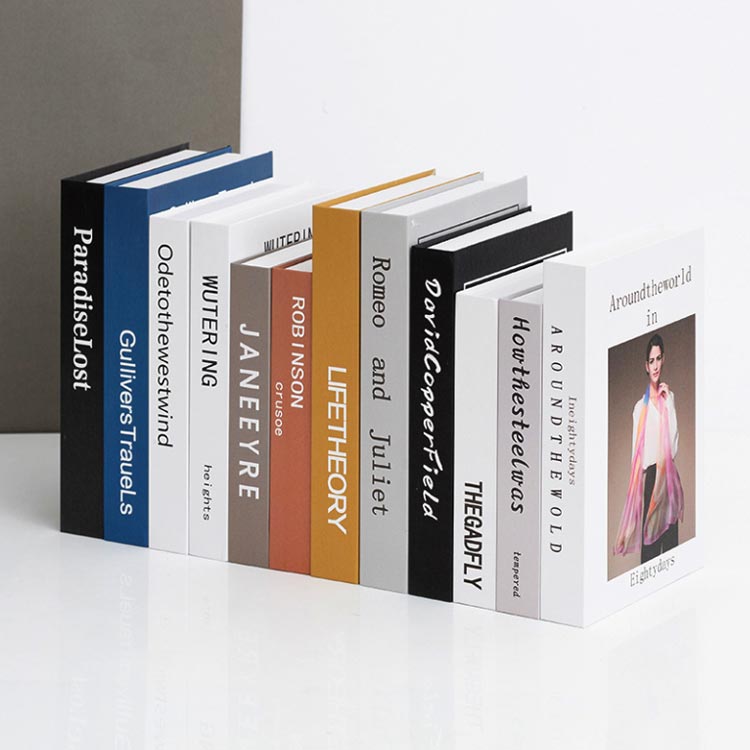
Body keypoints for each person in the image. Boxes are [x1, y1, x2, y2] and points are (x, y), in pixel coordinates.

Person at [614, 333, 684, 563]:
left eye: (658, 359)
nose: (655, 365)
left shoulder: (669, 398)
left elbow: (673, 447)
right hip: (653, 478)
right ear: (646, 365)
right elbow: (638, 458)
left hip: (670, 479)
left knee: (671, 547)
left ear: (663, 360)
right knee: (650, 551)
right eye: (651, 360)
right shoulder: (639, 408)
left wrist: (669, 404)